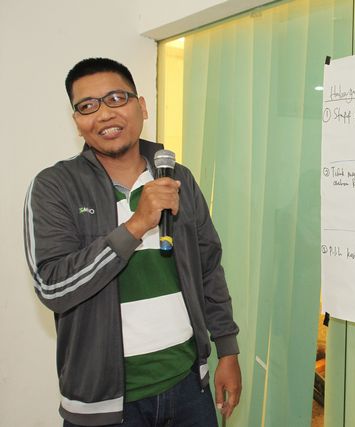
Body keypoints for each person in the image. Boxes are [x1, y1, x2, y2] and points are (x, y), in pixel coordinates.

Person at [23, 57, 241, 426]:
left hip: (190, 386)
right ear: (77, 122)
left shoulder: (178, 178)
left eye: (116, 99)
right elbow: (53, 286)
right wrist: (135, 226)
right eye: (87, 106)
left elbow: (208, 269)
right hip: (105, 404)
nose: (104, 114)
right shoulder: (54, 186)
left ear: (141, 106)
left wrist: (228, 350)